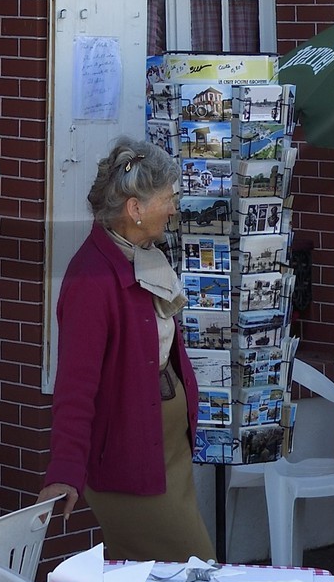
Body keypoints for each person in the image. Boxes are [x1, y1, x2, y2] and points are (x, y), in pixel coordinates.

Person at [39, 139, 212, 560]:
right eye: (168, 199)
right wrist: (64, 471)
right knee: (194, 571)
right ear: (135, 209)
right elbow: (75, 389)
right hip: (131, 464)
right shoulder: (91, 279)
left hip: (166, 455)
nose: (174, 209)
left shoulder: (140, 254)